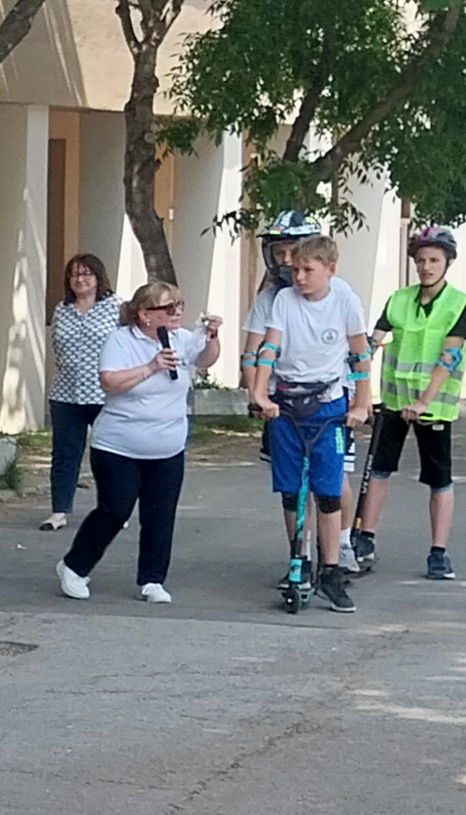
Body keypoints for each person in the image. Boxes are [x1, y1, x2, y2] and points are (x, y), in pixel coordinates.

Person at [57, 279, 219, 605]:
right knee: (115, 510)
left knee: (160, 514)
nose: (176, 313)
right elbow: (109, 381)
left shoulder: (181, 338)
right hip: (118, 445)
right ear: (145, 315)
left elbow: (205, 359)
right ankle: (74, 566)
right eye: (168, 308)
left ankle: (152, 579)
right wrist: (151, 366)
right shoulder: (121, 340)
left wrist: (212, 337)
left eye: (179, 306)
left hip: (167, 446)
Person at [243, 234, 372, 607]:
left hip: (327, 403)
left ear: (330, 270)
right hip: (287, 401)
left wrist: (361, 404)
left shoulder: (344, 299)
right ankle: (299, 560)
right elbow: (269, 348)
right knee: (291, 490)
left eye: (307, 270)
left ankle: (331, 570)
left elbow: (359, 355)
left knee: (328, 492)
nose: (298, 277)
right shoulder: (284, 300)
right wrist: (260, 395)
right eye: (295, 269)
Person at [349, 226, 466, 582]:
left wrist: (423, 401)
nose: (426, 267)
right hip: (393, 402)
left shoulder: (458, 303)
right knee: (378, 470)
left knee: (439, 479)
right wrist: (356, 385)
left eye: (434, 260)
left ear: (447, 263)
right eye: (421, 260)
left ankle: (438, 552)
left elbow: (449, 357)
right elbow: (371, 344)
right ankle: (364, 538)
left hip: (432, 406)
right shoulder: (399, 299)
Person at [45, 252, 120, 534]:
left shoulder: (116, 307)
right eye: (74, 274)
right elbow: (56, 345)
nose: (80, 279)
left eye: (86, 273)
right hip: (66, 394)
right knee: (64, 454)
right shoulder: (62, 309)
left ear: (98, 277)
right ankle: (59, 511)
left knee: (109, 455)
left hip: (105, 393)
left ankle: (114, 509)